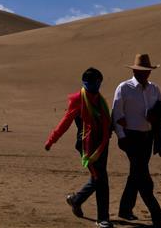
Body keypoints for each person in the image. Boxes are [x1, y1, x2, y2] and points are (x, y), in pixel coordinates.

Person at [45, 67, 113, 228]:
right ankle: (102, 218)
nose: (96, 85)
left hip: (102, 144)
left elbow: (105, 120)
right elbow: (66, 121)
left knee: (97, 178)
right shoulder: (79, 99)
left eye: (98, 82)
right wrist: (51, 140)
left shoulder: (99, 99)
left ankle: (76, 200)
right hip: (87, 146)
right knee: (101, 180)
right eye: (94, 82)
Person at [112, 54, 161, 227]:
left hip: (147, 138)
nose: (146, 74)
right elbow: (117, 114)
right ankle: (156, 212)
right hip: (130, 137)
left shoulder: (154, 89)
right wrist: (121, 137)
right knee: (143, 175)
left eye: (148, 71)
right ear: (135, 70)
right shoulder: (124, 87)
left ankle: (125, 209)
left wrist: (159, 116)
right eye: (142, 71)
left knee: (136, 174)